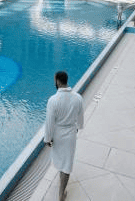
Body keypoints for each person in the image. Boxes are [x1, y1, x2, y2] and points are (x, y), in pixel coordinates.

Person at [44, 70, 84, 201]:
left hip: (58, 135)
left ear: (57, 81)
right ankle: (62, 193)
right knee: (67, 163)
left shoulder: (53, 100)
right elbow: (80, 118)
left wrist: (47, 138)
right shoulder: (78, 98)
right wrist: (78, 126)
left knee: (60, 160)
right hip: (71, 134)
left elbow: (49, 123)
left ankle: (61, 194)